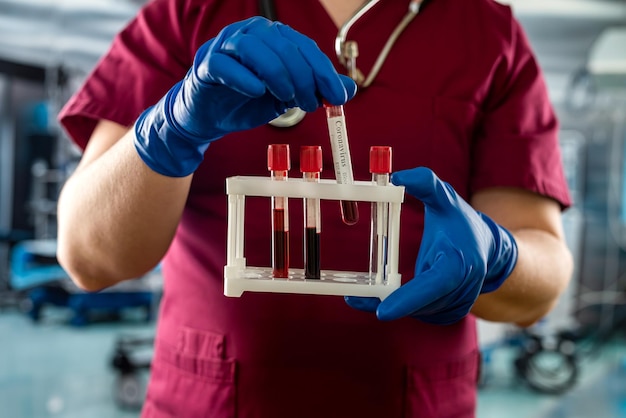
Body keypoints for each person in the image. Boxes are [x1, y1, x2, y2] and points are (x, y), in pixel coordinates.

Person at [56, 0, 574, 416]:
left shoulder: (485, 31)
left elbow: (539, 287)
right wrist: (169, 130)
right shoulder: (188, 14)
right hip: (209, 401)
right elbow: (89, 258)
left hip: (414, 402)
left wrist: (501, 256)